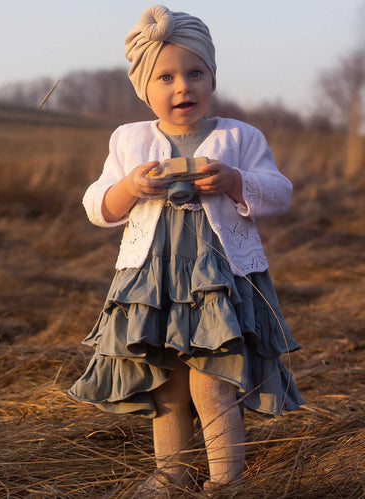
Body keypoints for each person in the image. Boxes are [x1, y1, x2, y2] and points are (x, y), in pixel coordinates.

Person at [69, 4, 303, 494]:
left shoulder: (240, 136)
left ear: (212, 77)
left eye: (195, 72)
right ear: (143, 86)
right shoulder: (129, 140)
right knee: (167, 385)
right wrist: (131, 187)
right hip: (151, 282)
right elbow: (97, 205)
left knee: (212, 382)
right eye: (166, 76)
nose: (183, 87)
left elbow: (279, 193)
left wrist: (236, 180)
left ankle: (226, 482)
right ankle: (172, 474)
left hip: (219, 280)